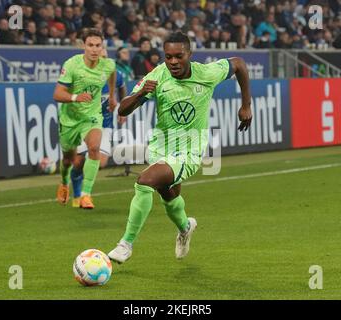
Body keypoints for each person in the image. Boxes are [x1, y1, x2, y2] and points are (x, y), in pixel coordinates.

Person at [107, 31, 252, 264]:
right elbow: (123, 110)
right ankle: (185, 228)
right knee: (169, 196)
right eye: (168, 57)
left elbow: (239, 64)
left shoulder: (206, 73)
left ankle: (125, 244)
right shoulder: (157, 76)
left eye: (178, 56)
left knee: (144, 182)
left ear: (189, 55)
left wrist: (246, 105)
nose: (173, 62)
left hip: (189, 151)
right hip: (160, 148)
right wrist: (142, 93)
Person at [53, 28, 116, 209]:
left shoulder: (108, 64)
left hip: (92, 116)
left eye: (98, 45)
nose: (95, 49)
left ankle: (86, 195)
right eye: (91, 45)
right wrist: (75, 97)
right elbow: (57, 93)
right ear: (83, 46)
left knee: (94, 148)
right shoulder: (72, 65)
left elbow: (112, 74)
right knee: (68, 160)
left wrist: (111, 96)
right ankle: (64, 182)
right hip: (70, 118)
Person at [70, 48, 128, 208]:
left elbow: (123, 89)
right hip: (84, 122)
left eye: (105, 57)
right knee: (78, 162)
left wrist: (123, 109)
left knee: (101, 161)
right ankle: (77, 193)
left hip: (105, 124)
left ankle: (85, 194)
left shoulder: (115, 74)